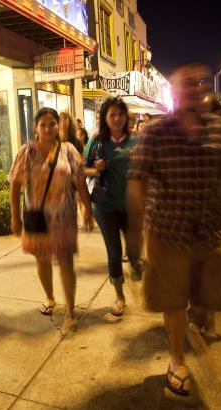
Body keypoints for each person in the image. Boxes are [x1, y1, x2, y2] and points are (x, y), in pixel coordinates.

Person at [126, 62, 221, 397]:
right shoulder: (155, 132)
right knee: (174, 301)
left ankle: (195, 325)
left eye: (198, 82)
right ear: (174, 91)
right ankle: (177, 358)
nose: (194, 88)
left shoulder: (217, 129)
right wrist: (136, 236)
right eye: (186, 83)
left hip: (210, 234)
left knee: (209, 298)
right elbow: (136, 182)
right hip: (169, 234)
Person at [9, 107, 93, 335]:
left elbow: (80, 180)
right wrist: (14, 215)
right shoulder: (26, 152)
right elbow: (15, 184)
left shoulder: (68, 150)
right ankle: (50, 297)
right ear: (36, 127)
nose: (47, 128)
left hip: (63, 215)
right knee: (42, 259)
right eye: (43, 124)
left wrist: (87, 208)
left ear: (58, 126)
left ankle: (71, 312)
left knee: (66, 261)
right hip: (37, 216)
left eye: (52, 124)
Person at [84, 97, 141, 317]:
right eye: (112, 115)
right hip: (105, 206)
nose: (117, 119)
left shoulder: (136, 141)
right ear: (105, 118)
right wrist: (95, 169)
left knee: (135, 251)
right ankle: (120, 297)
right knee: (114, 253)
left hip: (132, 206)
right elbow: (82, 169)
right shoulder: (97, 141)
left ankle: (136, 267)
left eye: (120, 114)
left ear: (126, 116)